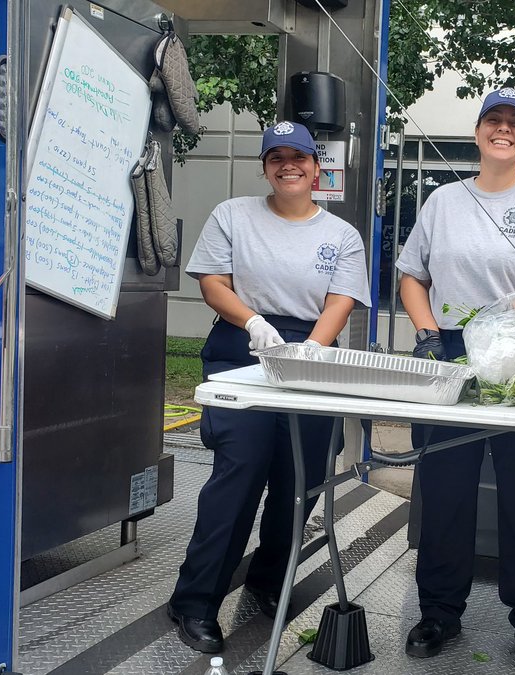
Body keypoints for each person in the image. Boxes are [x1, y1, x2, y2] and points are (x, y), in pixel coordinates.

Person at [167, 121, 371, 653]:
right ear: (265, 168)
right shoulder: (233, 215)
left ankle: (269, 578)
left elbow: (341, 300)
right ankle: (194, 602)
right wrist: (253, 322)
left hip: (312, 354)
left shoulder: (341, 235)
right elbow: (213, 282)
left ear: (316, 166)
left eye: (298, 157)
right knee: (239, 474)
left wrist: (311, 350)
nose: (288, 166)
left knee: (299, 481)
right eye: (276, 157)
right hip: (243, 347)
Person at [396, 87, 515, 671]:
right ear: (477, 133)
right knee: (444, 489)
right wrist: (427, 332)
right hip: (451, 352)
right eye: (493, 120)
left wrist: (513, 324)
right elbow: (411, 275)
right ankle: (438, 612)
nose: (504, 130)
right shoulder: (443, 201)